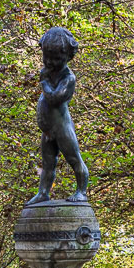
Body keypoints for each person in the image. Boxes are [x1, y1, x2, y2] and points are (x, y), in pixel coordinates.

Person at [27, 26, 89, 206]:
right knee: (47, 164)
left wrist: (44, 82)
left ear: (67, 57)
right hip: (48, 130)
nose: (50, 62)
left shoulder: (68, 77)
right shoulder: (47, 72)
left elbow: (55, 98)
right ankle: (43, 193)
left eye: (55, 58)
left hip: (62, 127)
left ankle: (81, 191)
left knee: (74, 158)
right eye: (47, 57)